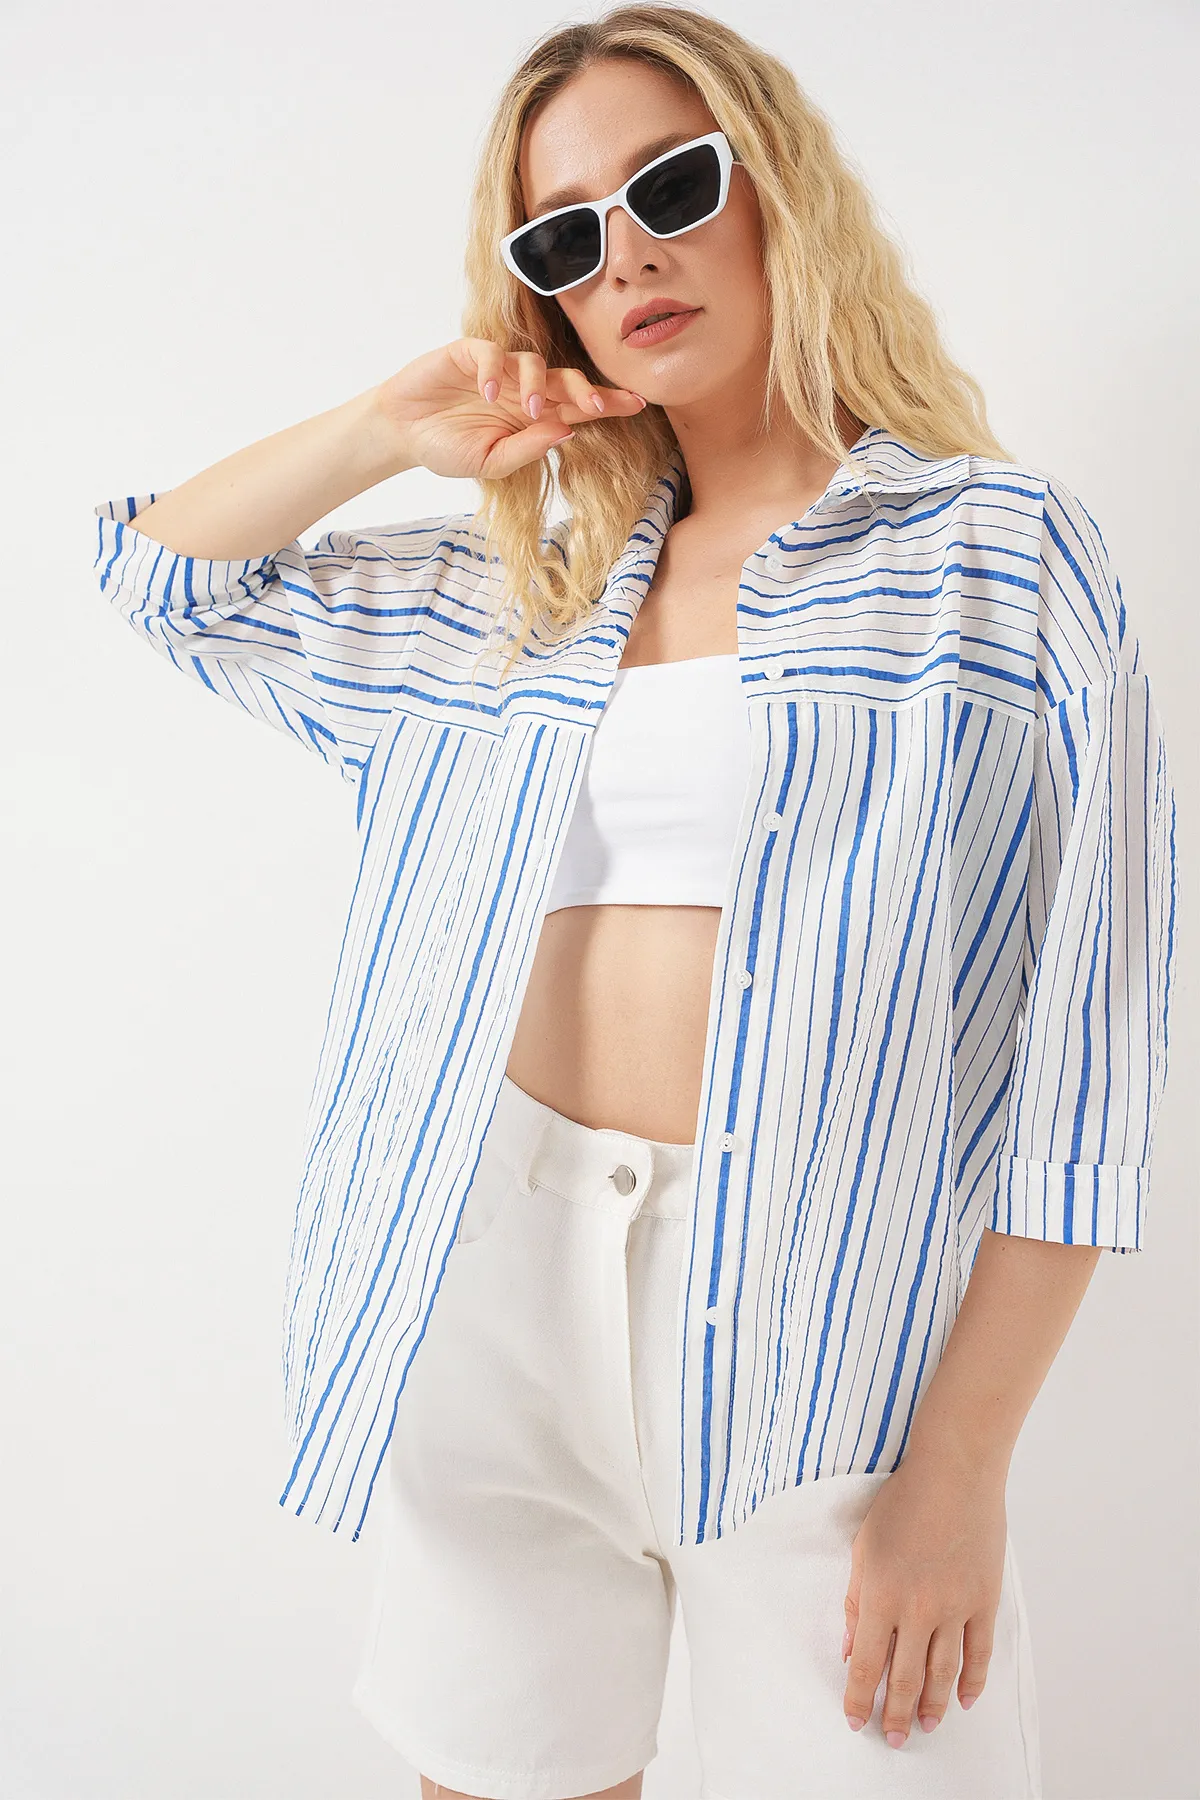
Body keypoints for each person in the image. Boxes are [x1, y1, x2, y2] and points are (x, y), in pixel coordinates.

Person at [91, 7, 1178, 1798]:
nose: (627, 254)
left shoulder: (995, 555)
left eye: (672, 186)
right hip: (496, 1299)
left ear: (780, 191)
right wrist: (390, 427)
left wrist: (963, 1474)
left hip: (831, 1346)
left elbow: (1095, 1061)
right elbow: (160, 582)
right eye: (563, 236)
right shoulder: (510, 590)